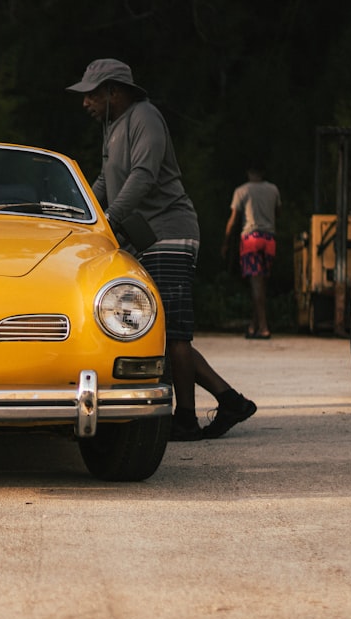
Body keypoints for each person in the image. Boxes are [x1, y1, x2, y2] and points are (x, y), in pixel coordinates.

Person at [67, 58, 256, 440]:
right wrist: (79, 212)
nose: (85, 102)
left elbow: (143, 176)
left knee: (175, 336)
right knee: (160, 332)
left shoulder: (144, 117)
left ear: (113, 91)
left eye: (91, 95)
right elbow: (106, 179)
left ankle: (184, 418)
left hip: (171, 232)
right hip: (146, 237)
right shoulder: (114, 128)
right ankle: (230, 399)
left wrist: (108, 220)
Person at [223, 167, 281, 340]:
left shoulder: (242, 191)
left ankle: (263, 327)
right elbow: (279, 213)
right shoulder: (273, 189)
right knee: (261, 285)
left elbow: (233, 220)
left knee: (256, 286)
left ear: (248, 172)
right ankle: (253, 326)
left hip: (251, 239)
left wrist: (225, 242)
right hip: (269, 239)